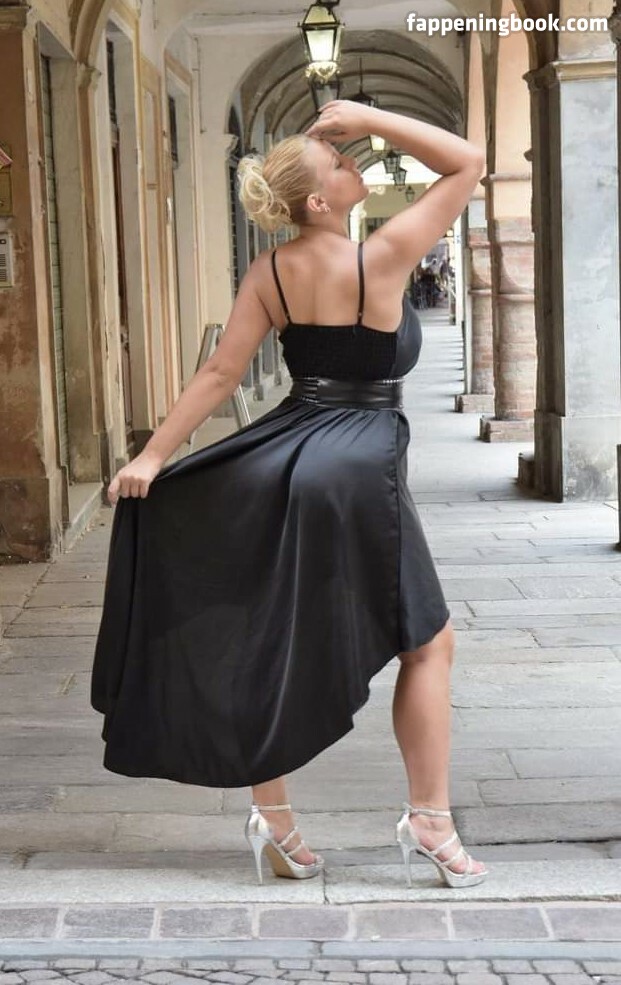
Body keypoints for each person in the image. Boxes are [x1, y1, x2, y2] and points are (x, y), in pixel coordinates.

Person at [90, 100, 487, 890]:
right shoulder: (385, 253)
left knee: (266, 631)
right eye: (339, 163)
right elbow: (467, 161)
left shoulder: (269, 271)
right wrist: (370, 114)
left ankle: (273, 820)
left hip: (286, 449)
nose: (353, 162)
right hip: (358, 461)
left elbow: (219, 373)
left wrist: (152, 457)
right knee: (427, 641)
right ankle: (430, 820)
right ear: (318, 200)